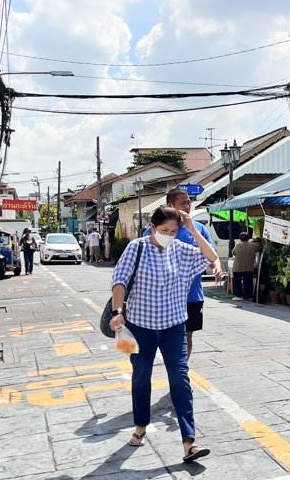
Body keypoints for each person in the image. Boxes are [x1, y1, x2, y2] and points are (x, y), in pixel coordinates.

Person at [109, 206, 217, 462]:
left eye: (173, 230)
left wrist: (191, 228)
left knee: (180, 379)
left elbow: (211, 256)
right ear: (153, 226)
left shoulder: (182, 250)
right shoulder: (136, 247)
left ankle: (189, 442)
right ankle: (140, 427)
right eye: (164, 230)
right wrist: (117, 311)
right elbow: (120, 281)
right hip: (139, 327)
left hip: (174, 327)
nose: (169, 234)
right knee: (141, 377)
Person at [144, 188, 222, 359]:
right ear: (170, 205)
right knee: (160, 335)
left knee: (187, 334)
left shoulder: (199, 229)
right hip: (163, 296)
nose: (188, 206)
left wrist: (217, 266)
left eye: (189, 202)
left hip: (192, 295)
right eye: (183, 203)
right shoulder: (157, 228)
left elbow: (212, 254)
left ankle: (181, 367)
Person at [230, 232, 258, 300]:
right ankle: (248, 296)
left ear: (240, 238)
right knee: (248, 281)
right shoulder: (254, 245)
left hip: (238, 267)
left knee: (237, 282)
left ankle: (238, 296)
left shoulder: (237, 245)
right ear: (248, 238)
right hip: (249, 266)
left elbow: (233, 252)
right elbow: (260, 248)